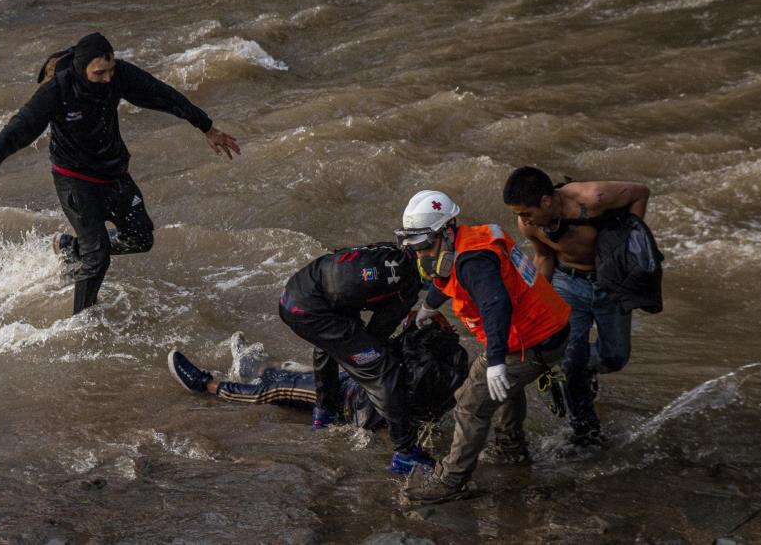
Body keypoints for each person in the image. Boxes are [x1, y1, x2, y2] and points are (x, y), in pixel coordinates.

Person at [0, 32, 240, 314]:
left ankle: (70, 247)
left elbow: (162, 95)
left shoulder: (118, 77)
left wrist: (206, 127)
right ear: (82, 69)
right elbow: (14, 132)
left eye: (111, 70)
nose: (107, 78)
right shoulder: (58, 91)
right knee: (98, 256)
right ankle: (81, 322)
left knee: (141, 237)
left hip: (113, 174)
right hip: (75, 180)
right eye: (99, 73)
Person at [396, 190, 570, 504]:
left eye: (425, 246)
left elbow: (496, 304)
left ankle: (452, 480)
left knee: (470, 402)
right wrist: (429, 308)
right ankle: (511, 448)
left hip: (530, 339)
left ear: (447, 231)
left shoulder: (473, 261)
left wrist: (498, 360)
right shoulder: (468, 240)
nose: (421, 254)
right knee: (504, 387)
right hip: (549, 327)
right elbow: (445, 278)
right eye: (415, 247)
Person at [502, 166, 651, 446]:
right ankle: (584, 430)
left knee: (615, 357)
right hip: (567, 283)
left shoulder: (592, 198)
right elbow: (544, 257)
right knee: (571, 357)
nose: (522, 221)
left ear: (546, 201)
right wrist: (532, 304)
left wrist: (630, 241)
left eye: (526, 213)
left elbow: (641, 192)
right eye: (518, 215)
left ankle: (588, 368)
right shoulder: (530, 224)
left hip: (610, 283)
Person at [276, 241, 431, 474]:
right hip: (314, 311)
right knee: (382, 368)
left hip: (295, 293)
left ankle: (324, 413)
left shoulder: (387, 251)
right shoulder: (408, 285)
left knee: (328, 343)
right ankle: (406, 453)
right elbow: (377, 334)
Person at [167, 322, 468, 434]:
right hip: (358, 389)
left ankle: (205, 384)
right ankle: (254, 367)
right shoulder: (444, 377)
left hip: (346, 400)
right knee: (296, 374)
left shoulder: (414, 384)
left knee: (275, 391)